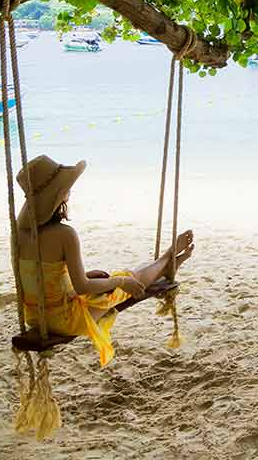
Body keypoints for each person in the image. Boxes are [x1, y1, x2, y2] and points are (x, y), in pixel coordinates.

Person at [15, 155, 194, 366]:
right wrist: (119, 283)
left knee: (113, 279)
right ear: (59, 195)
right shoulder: (65, 234)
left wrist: (84, 278)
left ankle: (165, 264)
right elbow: (82, 287)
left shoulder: (18, 233)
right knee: (126, 280)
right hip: (65, 320)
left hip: (36, 317)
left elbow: (35, 279)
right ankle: (167, 258)